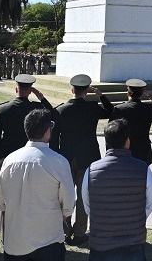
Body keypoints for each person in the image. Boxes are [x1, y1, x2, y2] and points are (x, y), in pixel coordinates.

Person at [0, 109, 75, 260]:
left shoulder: (9, 160)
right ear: (48, 131)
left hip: (16, 241)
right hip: (48, 239)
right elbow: (68, 203)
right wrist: (64, 215)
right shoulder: (58, 161)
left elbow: (1, 202)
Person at [53, 73, 113, 245]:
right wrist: (101, 95)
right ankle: (79, 232)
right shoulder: (92, 108)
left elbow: (54, 138)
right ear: (87, 91)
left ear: (72, 90)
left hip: (66, 157)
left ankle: (65, 231)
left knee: (65, 196)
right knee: (83, 195)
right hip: (87, 156)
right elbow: (110, 111)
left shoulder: (60, 110)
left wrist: (57, 157)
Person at [82, 119, 152, 261]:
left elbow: (88, 207)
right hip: (133, 244)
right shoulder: (143, 169)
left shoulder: (91, 171)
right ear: (128, 141)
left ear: (106, 142)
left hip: (101, 245)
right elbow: (149, 206)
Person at [0, 74, 56, 168]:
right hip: (31, 155)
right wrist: (41, 97)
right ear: (30, 92)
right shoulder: (37, 108)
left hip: (7, 154)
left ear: (16, 89)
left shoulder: (3, 109)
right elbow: (52, 114)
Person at [111, 78, 152, 165]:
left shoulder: (120, 109)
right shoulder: (148, 109)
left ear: (128, 93)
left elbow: (111, 131)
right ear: (142, 94)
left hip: (124, 150)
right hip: (143, 151)